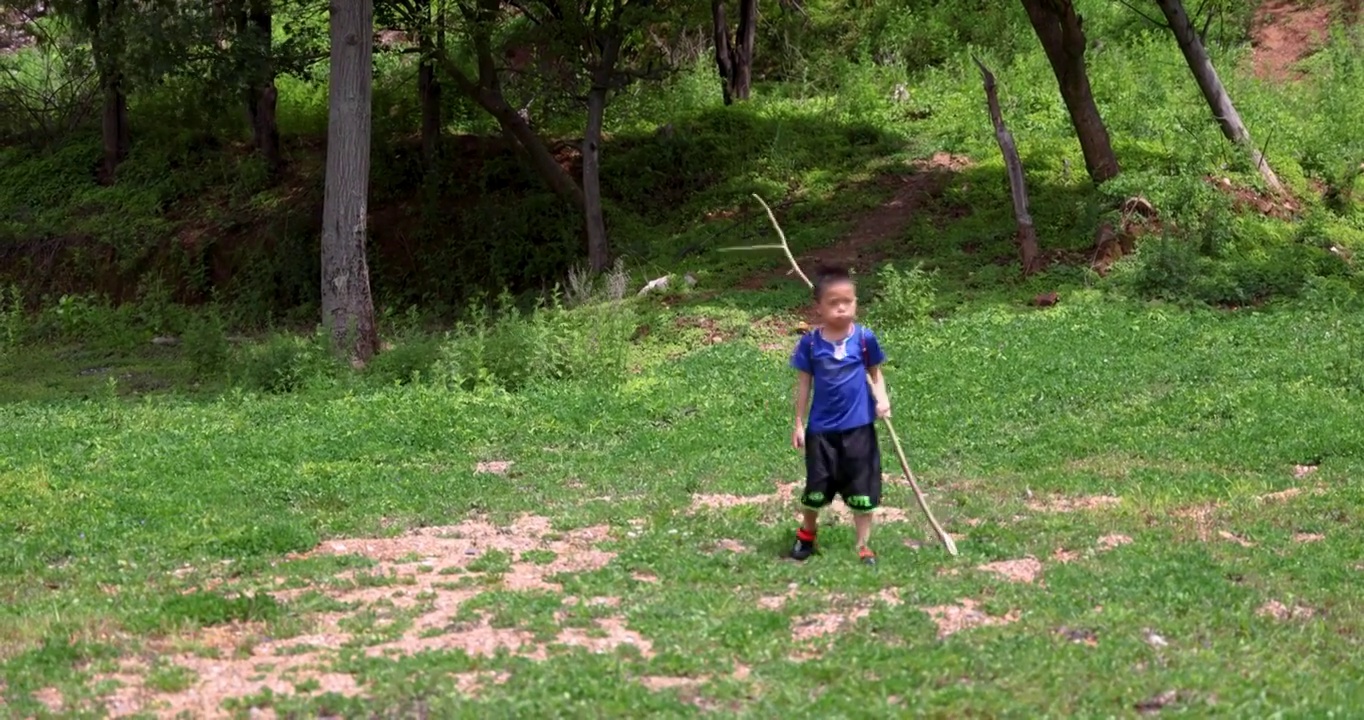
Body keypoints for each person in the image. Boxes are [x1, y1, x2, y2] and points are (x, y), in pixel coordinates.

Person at [788, 264, 891, 565]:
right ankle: (807, 534)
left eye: (849, 301)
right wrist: (799, 423)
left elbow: (876, 374)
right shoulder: (810, 344)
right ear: (818, 307)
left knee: (862, 485)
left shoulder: (863, 338)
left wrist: (882, 401)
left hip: (859, 426)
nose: (842, 307)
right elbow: (804, 384)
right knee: (817, 485)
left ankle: (863, 546)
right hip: (822, 429)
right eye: (833, 302)